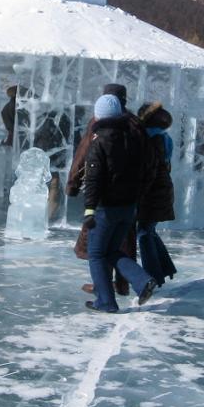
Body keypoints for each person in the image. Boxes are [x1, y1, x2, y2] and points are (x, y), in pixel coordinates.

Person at [82, 93, 157, 313]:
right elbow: (145, 171)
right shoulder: (133, 139)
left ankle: (106, 302)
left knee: (96, 254)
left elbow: (93, 179)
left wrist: (89, 209)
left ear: (98, 116)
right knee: (111, 250)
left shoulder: (99, 143)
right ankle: (142, 280)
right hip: (128, 207)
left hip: (106, 208)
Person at [68, 84, 142, 296]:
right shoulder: (135, 124)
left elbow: (85, 156)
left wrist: (73, 183)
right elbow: (144, 161)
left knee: (99, 248)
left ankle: (104, 289)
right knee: (124, 241)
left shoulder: (99, 126)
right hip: (130, 197)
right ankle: (123, 283)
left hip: (104, 200)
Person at [136, 102, 177, 286]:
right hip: (161, 191)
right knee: (148, 231)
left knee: (144, 233)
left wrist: (139, 194)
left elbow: (149, 172)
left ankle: (153, 277)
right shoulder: (163, 138)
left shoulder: (150, 141)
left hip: (153, 194)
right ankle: (165, 268)